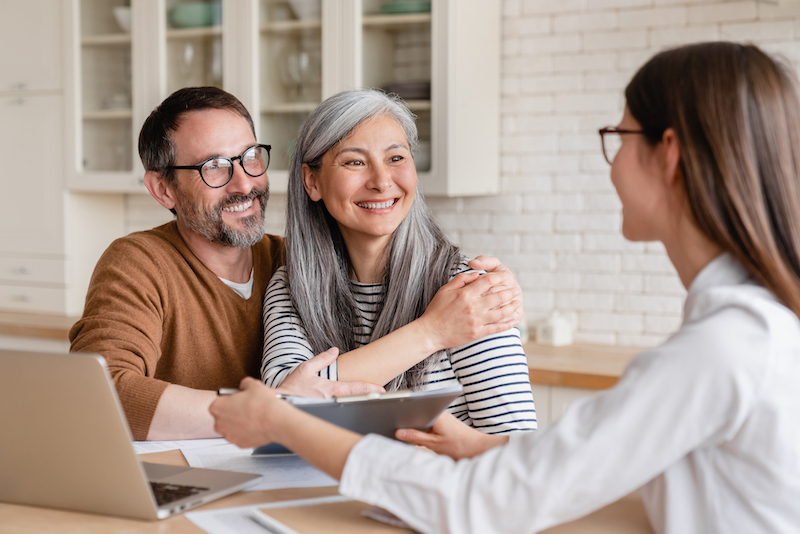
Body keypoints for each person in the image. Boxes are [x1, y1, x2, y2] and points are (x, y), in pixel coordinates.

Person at [211, 41, 800, 533]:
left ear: (667, 155)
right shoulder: (744, 334)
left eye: (618, 135)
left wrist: (285, 421)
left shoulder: (720, 350)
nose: (612, 162)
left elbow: (491, 502)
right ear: (312, 181)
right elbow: (596, 476)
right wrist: (494, 453)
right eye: (354, 162)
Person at [70, 87, 522, 441]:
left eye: (250, 158)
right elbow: (97, 393)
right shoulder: (290, 278)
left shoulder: (289, 263)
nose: (243, 182)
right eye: (213, 166)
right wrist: (272, 406)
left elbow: (518, 446)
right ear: (163, 190)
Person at [261, 89, 536, 433]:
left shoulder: (467, 293)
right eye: (355, 162)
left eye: (395, 158)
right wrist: (431, 332)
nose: (381, 181)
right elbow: (283, 400)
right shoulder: (292, 286)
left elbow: (516, 448)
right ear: (312, 181)